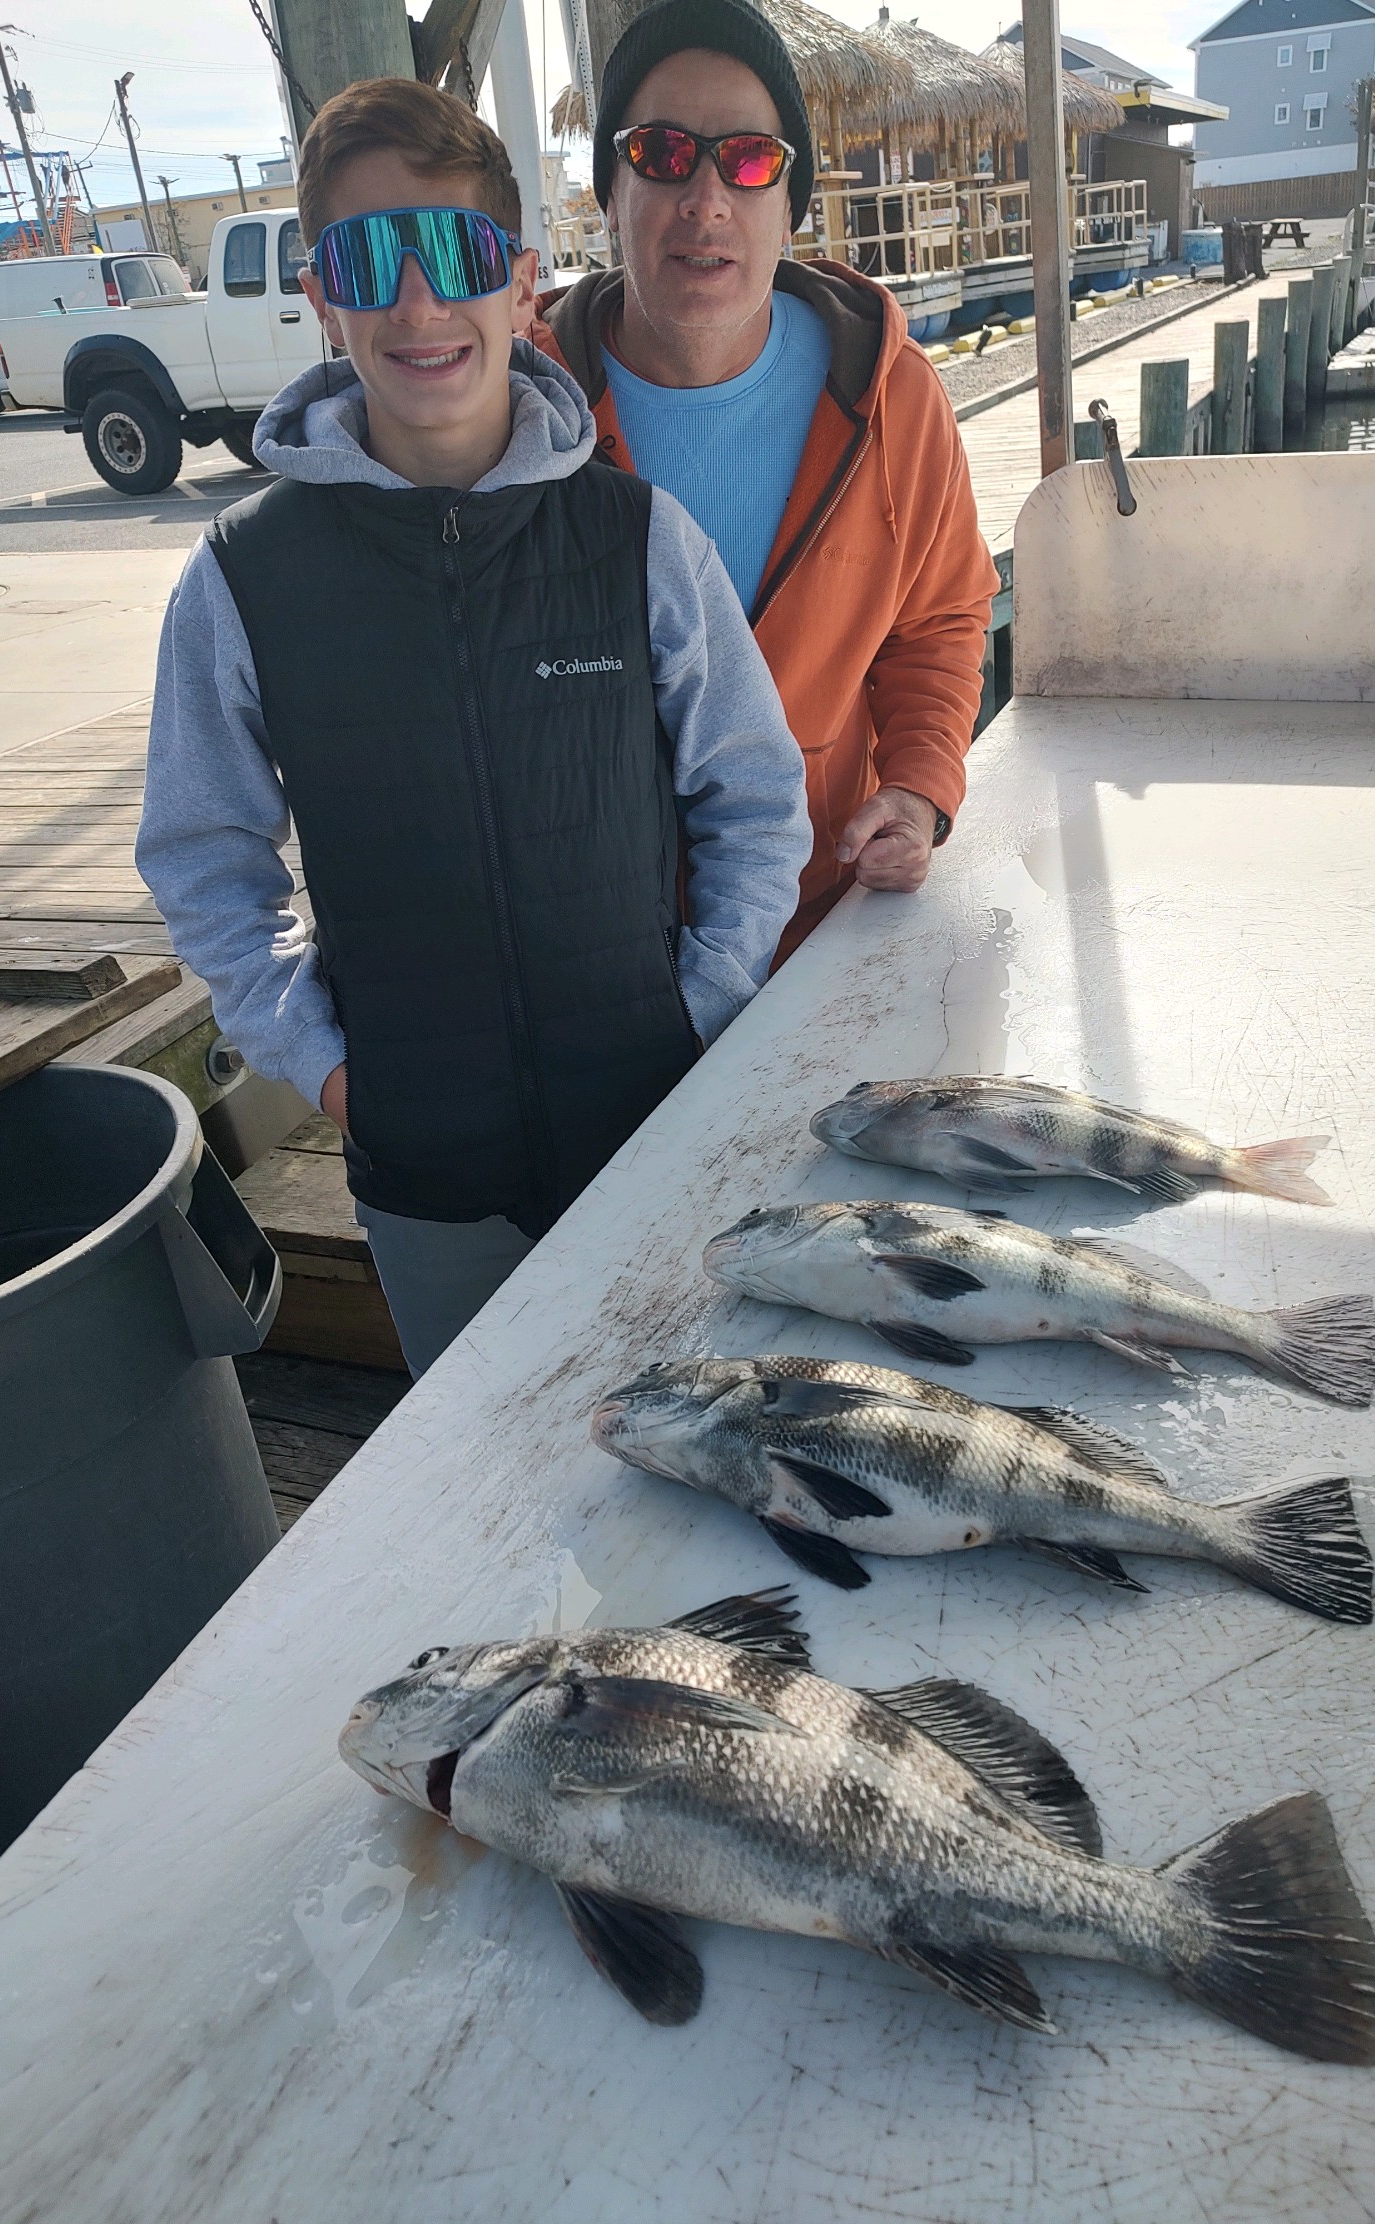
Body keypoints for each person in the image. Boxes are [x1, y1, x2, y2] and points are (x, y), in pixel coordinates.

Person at [137, 78, 811, 1376]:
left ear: (520, 280)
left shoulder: (639, 540)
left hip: (652, 1128)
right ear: (324, 295)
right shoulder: (242, 576)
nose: (416, 303)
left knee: (692, 1430)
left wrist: (702, 1006)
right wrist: (324, 1068)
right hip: (422, 1177)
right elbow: (203, 856)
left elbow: (753, 800)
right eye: (365, 259)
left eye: (451, 252)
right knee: (482, 1494)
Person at [532, 0, 997, 954]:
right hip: (589, 947)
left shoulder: (890, 397)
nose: (706, 198)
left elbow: (941, 621)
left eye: (750, 161)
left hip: (817, 931)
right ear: (609, 192)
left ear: (790, 203)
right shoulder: (522, 409)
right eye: (662, 153)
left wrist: (917, 786)